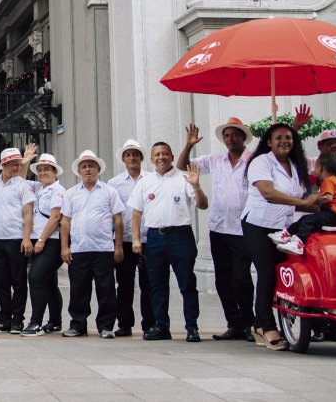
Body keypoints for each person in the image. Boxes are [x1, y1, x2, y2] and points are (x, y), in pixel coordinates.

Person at [240, 123, 326, 351]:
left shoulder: (296, 165)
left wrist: (325, 205)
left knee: (284, 275)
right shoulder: (260, 162)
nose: (284, 141)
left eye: (288, 137)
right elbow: (268, 192)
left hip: (284, 228)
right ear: (269, 142)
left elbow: (305, 198)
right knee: (267, 273)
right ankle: (264, 326)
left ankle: (277, 322)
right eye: (278, 138)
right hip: (258, 225)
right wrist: (303, 203)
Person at [177, 118, 256, 342]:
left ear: (243, 137)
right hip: (219, 227)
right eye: (227, 135)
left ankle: (249, 323)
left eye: (235, 135)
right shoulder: (214, 160)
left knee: (241, 278)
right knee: (223, 279)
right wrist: (189, 144)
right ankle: (234, 324)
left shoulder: (253, 159)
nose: (231, 139)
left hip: (243, 227)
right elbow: (182, 165)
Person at [129, 143, 208, 342]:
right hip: (155, 238)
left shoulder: (184, 177)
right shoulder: (144, 181)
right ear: (151, 158)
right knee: (157, 286)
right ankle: (161, 326)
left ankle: (192, 327)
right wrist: (137, 239)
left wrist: (196, 186)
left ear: (172, 157)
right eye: (157, 154)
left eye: (165, 154)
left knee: (187, 283)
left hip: (180, 236)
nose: (161, 157)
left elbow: (202, 205)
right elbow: (136, 213)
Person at [59, 149, 124, 338]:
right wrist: (65, 246)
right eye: (84, 167)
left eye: (91, 166)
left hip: (103, 248)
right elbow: (65, 221)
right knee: (79, 289)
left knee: (106, 289)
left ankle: (106, 326)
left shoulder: (109, 191)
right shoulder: (71, 194)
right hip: (79, 248)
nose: (88, 170)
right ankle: (78, 325)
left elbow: (118, 220)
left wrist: (118, 246)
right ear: (79, 171)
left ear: (98, 169)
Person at [0, 144, 38, 334]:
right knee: (1, 282)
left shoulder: (23, 185)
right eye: (13, 164)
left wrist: (27, 238)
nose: (17, 167)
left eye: (19, 164)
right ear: (4, 165)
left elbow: (28, 213)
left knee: (18, 282)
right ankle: (4, 320)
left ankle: (17, 320)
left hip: (17, 239)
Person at [107, 139, 153, 338]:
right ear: (123, 159)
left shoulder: (152, 179)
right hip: (124, 240)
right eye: (128, 155)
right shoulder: (114, 184)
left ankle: (149, 324)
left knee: (149, 284)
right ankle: (124, 323)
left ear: (142, 158)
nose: (132, 158)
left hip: (149, 238)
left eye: (135, 154)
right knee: (124, 284)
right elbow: (112, 215)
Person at [271, 152, 336, 254]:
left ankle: (299, 243)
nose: (314, 168)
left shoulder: (328, 181)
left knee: (309, 221)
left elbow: (328, 198)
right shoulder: (333, 180)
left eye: (316, 166)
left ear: (321, 168)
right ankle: (286, 234)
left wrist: (314, 199)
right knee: (305, 219)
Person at [22, 153, 65, 336]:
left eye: (46, 169)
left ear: (55, 171)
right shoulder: (37, 187)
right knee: (49, 283)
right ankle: (55, 321)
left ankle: (36, 322)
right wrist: (26, 161)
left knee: (35, 277)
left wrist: (41, 240)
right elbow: (21, 180)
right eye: (39, 170)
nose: (42, 173)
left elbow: (55, 217)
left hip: (51, 241)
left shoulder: (59, 190)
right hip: (37, 239)